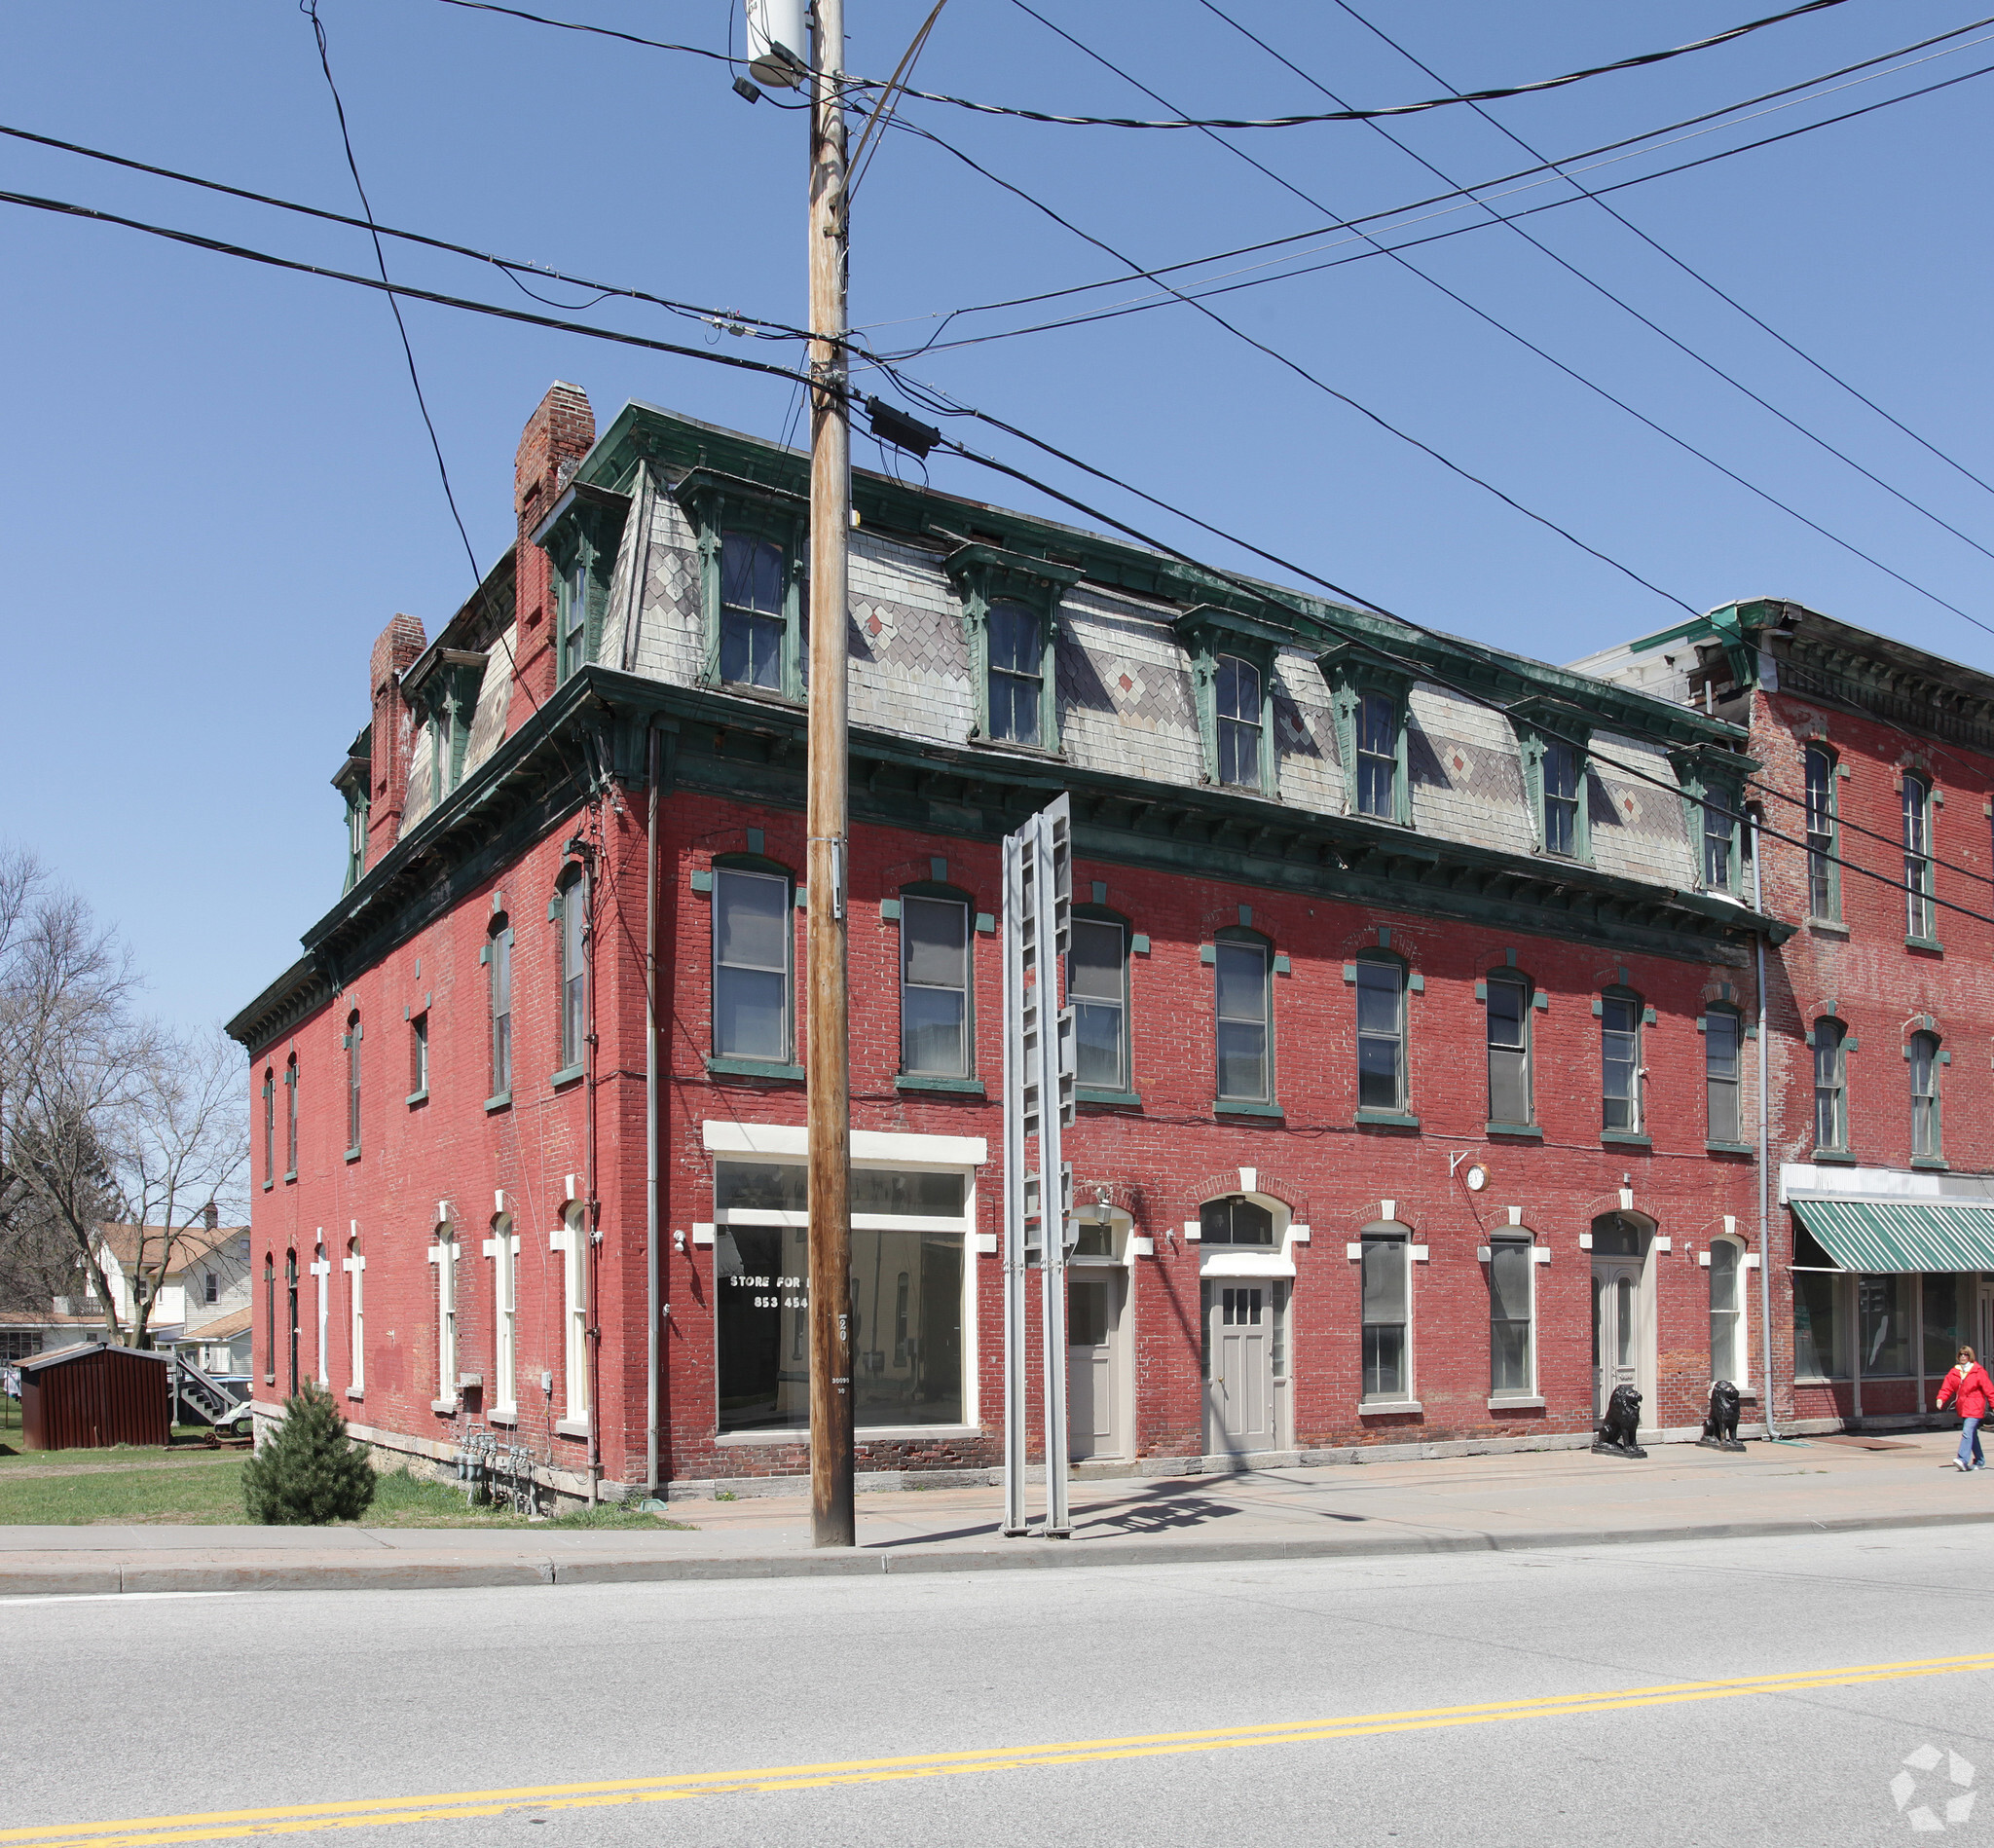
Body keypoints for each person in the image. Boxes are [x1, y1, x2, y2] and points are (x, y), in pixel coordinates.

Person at [1936, 1346, 1992, 1471]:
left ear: (1970, 1356)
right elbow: (1947, 1387)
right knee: (1972, 1434)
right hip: (1963, 1407)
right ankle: (1979, 1460)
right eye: (1961, 1354)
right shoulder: (1954, 1372)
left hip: (1976, 1407)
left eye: (1966, 1354)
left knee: (1967, 1431)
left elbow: (1989, 1391)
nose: (1962, 1356)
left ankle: (1962, 1459)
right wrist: (1941, 1399)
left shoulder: (1978, 1371)